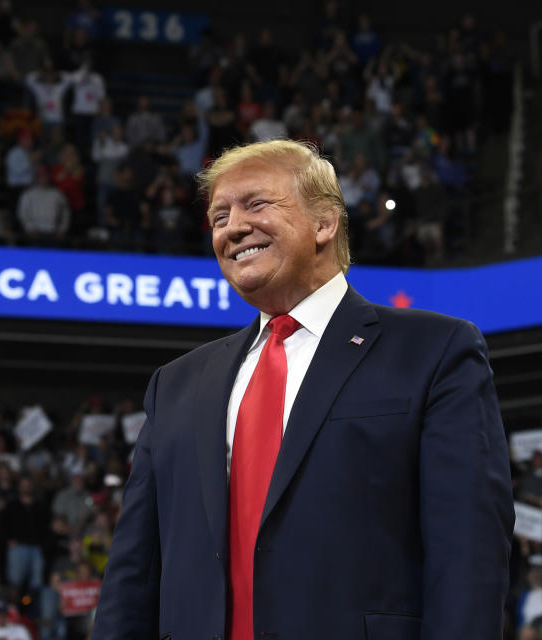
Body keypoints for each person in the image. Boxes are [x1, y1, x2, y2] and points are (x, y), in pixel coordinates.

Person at [93, 139, 513, 639]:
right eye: (219, 216)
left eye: (256, 204)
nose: (233, 227)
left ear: (324, 223)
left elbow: (469, 552)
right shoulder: (176, 384)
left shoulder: (434, 351)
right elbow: (132, 573)